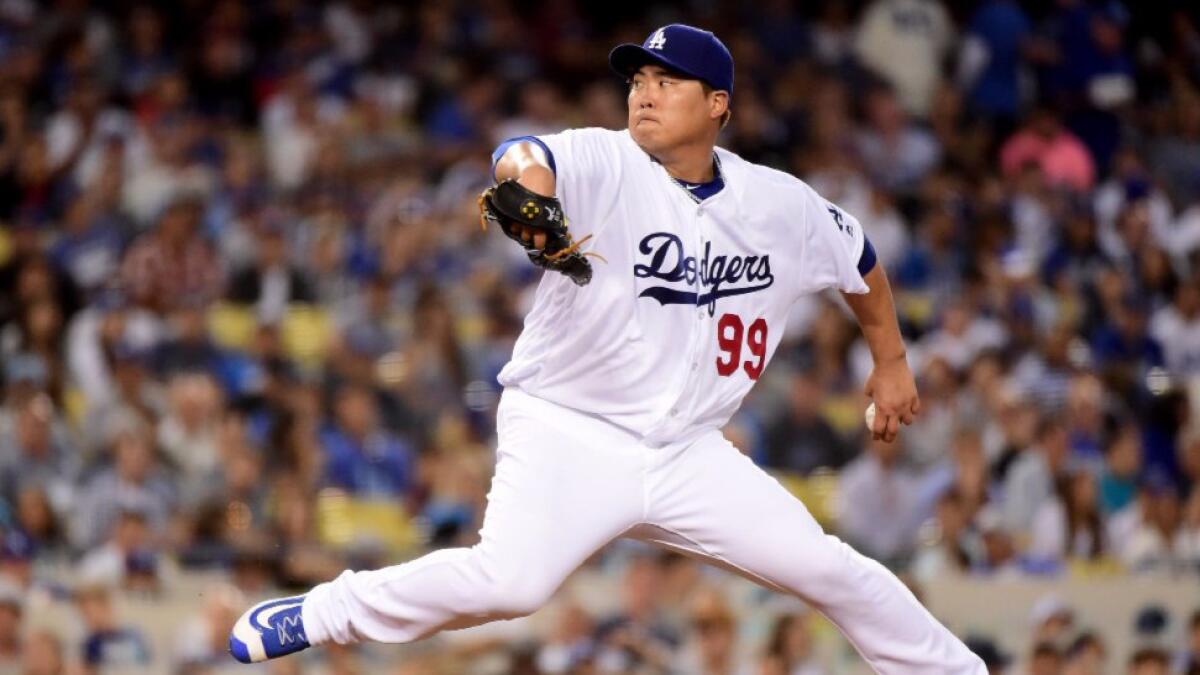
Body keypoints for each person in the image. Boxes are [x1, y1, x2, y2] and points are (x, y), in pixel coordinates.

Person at [228, 23, 985, 673]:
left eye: (669, 81)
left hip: (689, 450)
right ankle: (329, 609)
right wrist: (529, 188)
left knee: (831, 568)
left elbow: (858, 262)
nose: (645, 93)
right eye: (639, 80)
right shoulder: (607, 160)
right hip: (569, 428)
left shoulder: (778, 204)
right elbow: (523, 154)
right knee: (509, 585)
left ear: (718, 105)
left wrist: (890, 361)